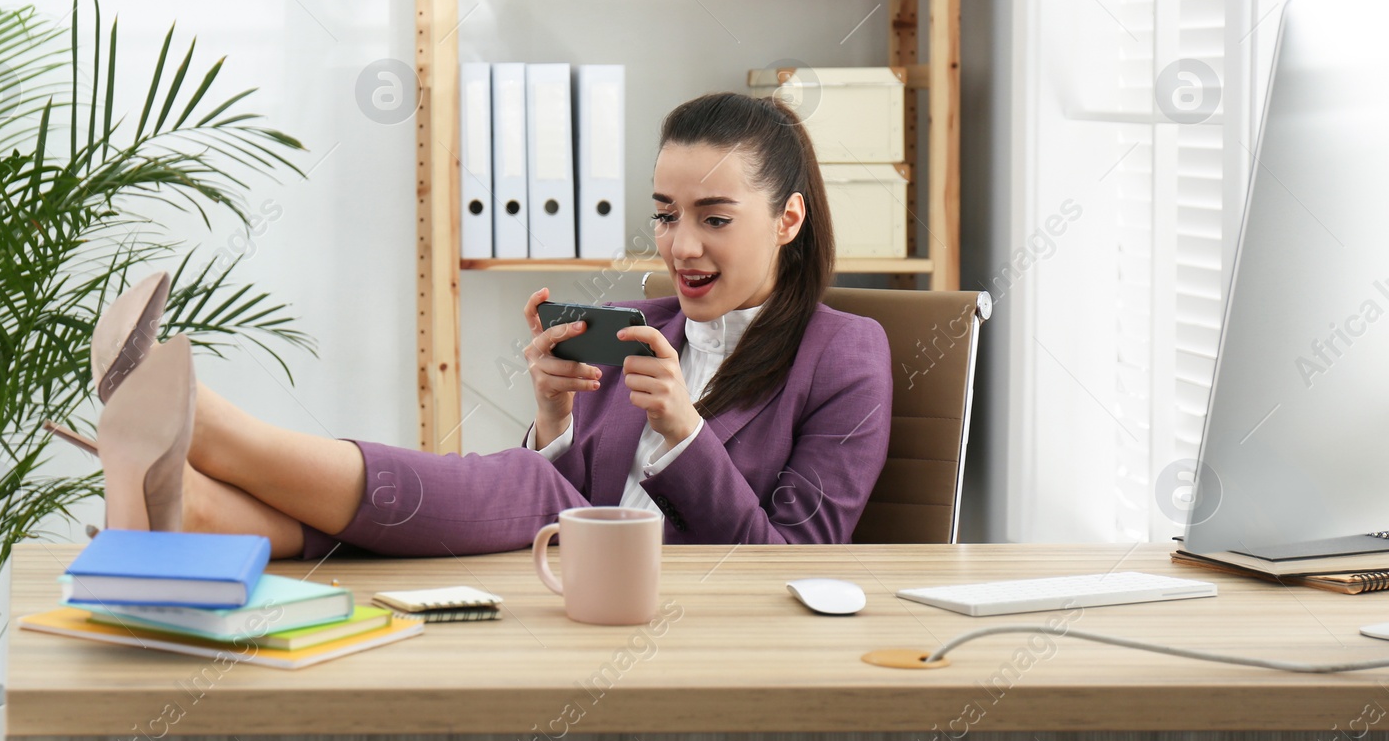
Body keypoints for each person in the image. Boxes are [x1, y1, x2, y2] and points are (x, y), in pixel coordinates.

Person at [56, 91, 893, 556]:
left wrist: (682, 432)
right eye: (666, 214)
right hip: (561, 579)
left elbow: (791, 560)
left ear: (788, 219)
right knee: (526, 481)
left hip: (672, 610)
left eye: (714, 218)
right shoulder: (642, 324)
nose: (680, 245)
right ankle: (190, 504)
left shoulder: (847, 355)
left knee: (531, 492)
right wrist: (554, 420)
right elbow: (576, 488)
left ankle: (207, 430)